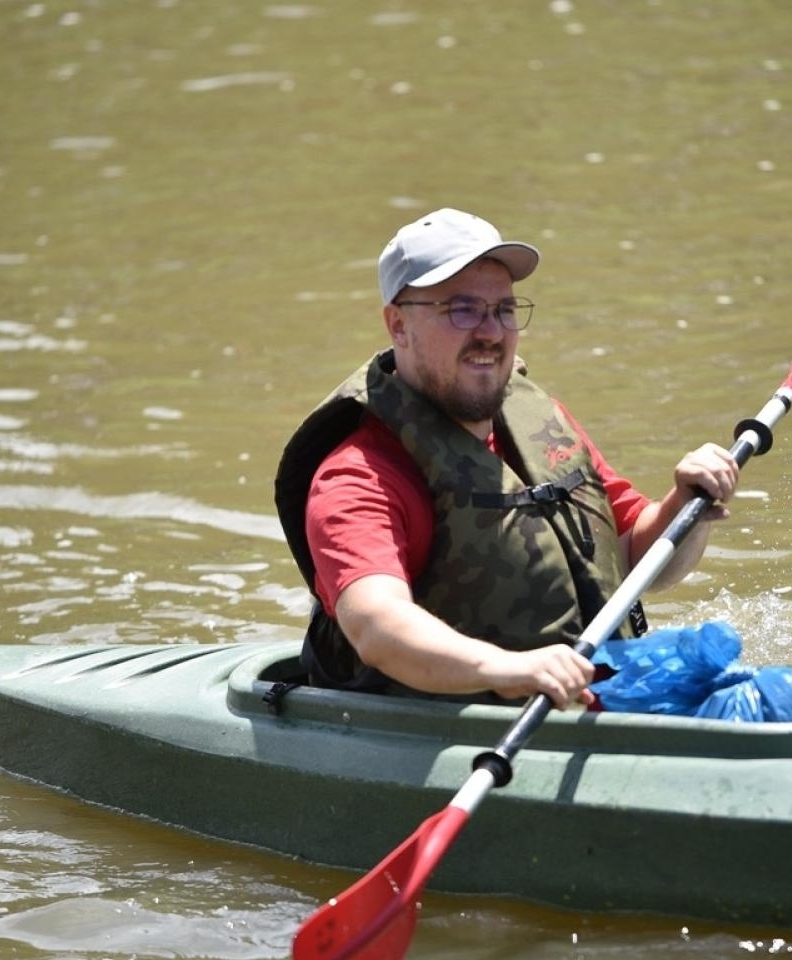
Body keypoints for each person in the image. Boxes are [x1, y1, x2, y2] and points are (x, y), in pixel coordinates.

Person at [274, 208, 738, 707]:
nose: (491, 332)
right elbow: (377, 627)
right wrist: (506, 668)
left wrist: (687, 508)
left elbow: (638, 560)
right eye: (462, 309)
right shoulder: (360, 475)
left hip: (598, 703)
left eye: (504, 309)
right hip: (458, 730)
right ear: (398, 325)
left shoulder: (540, 423)